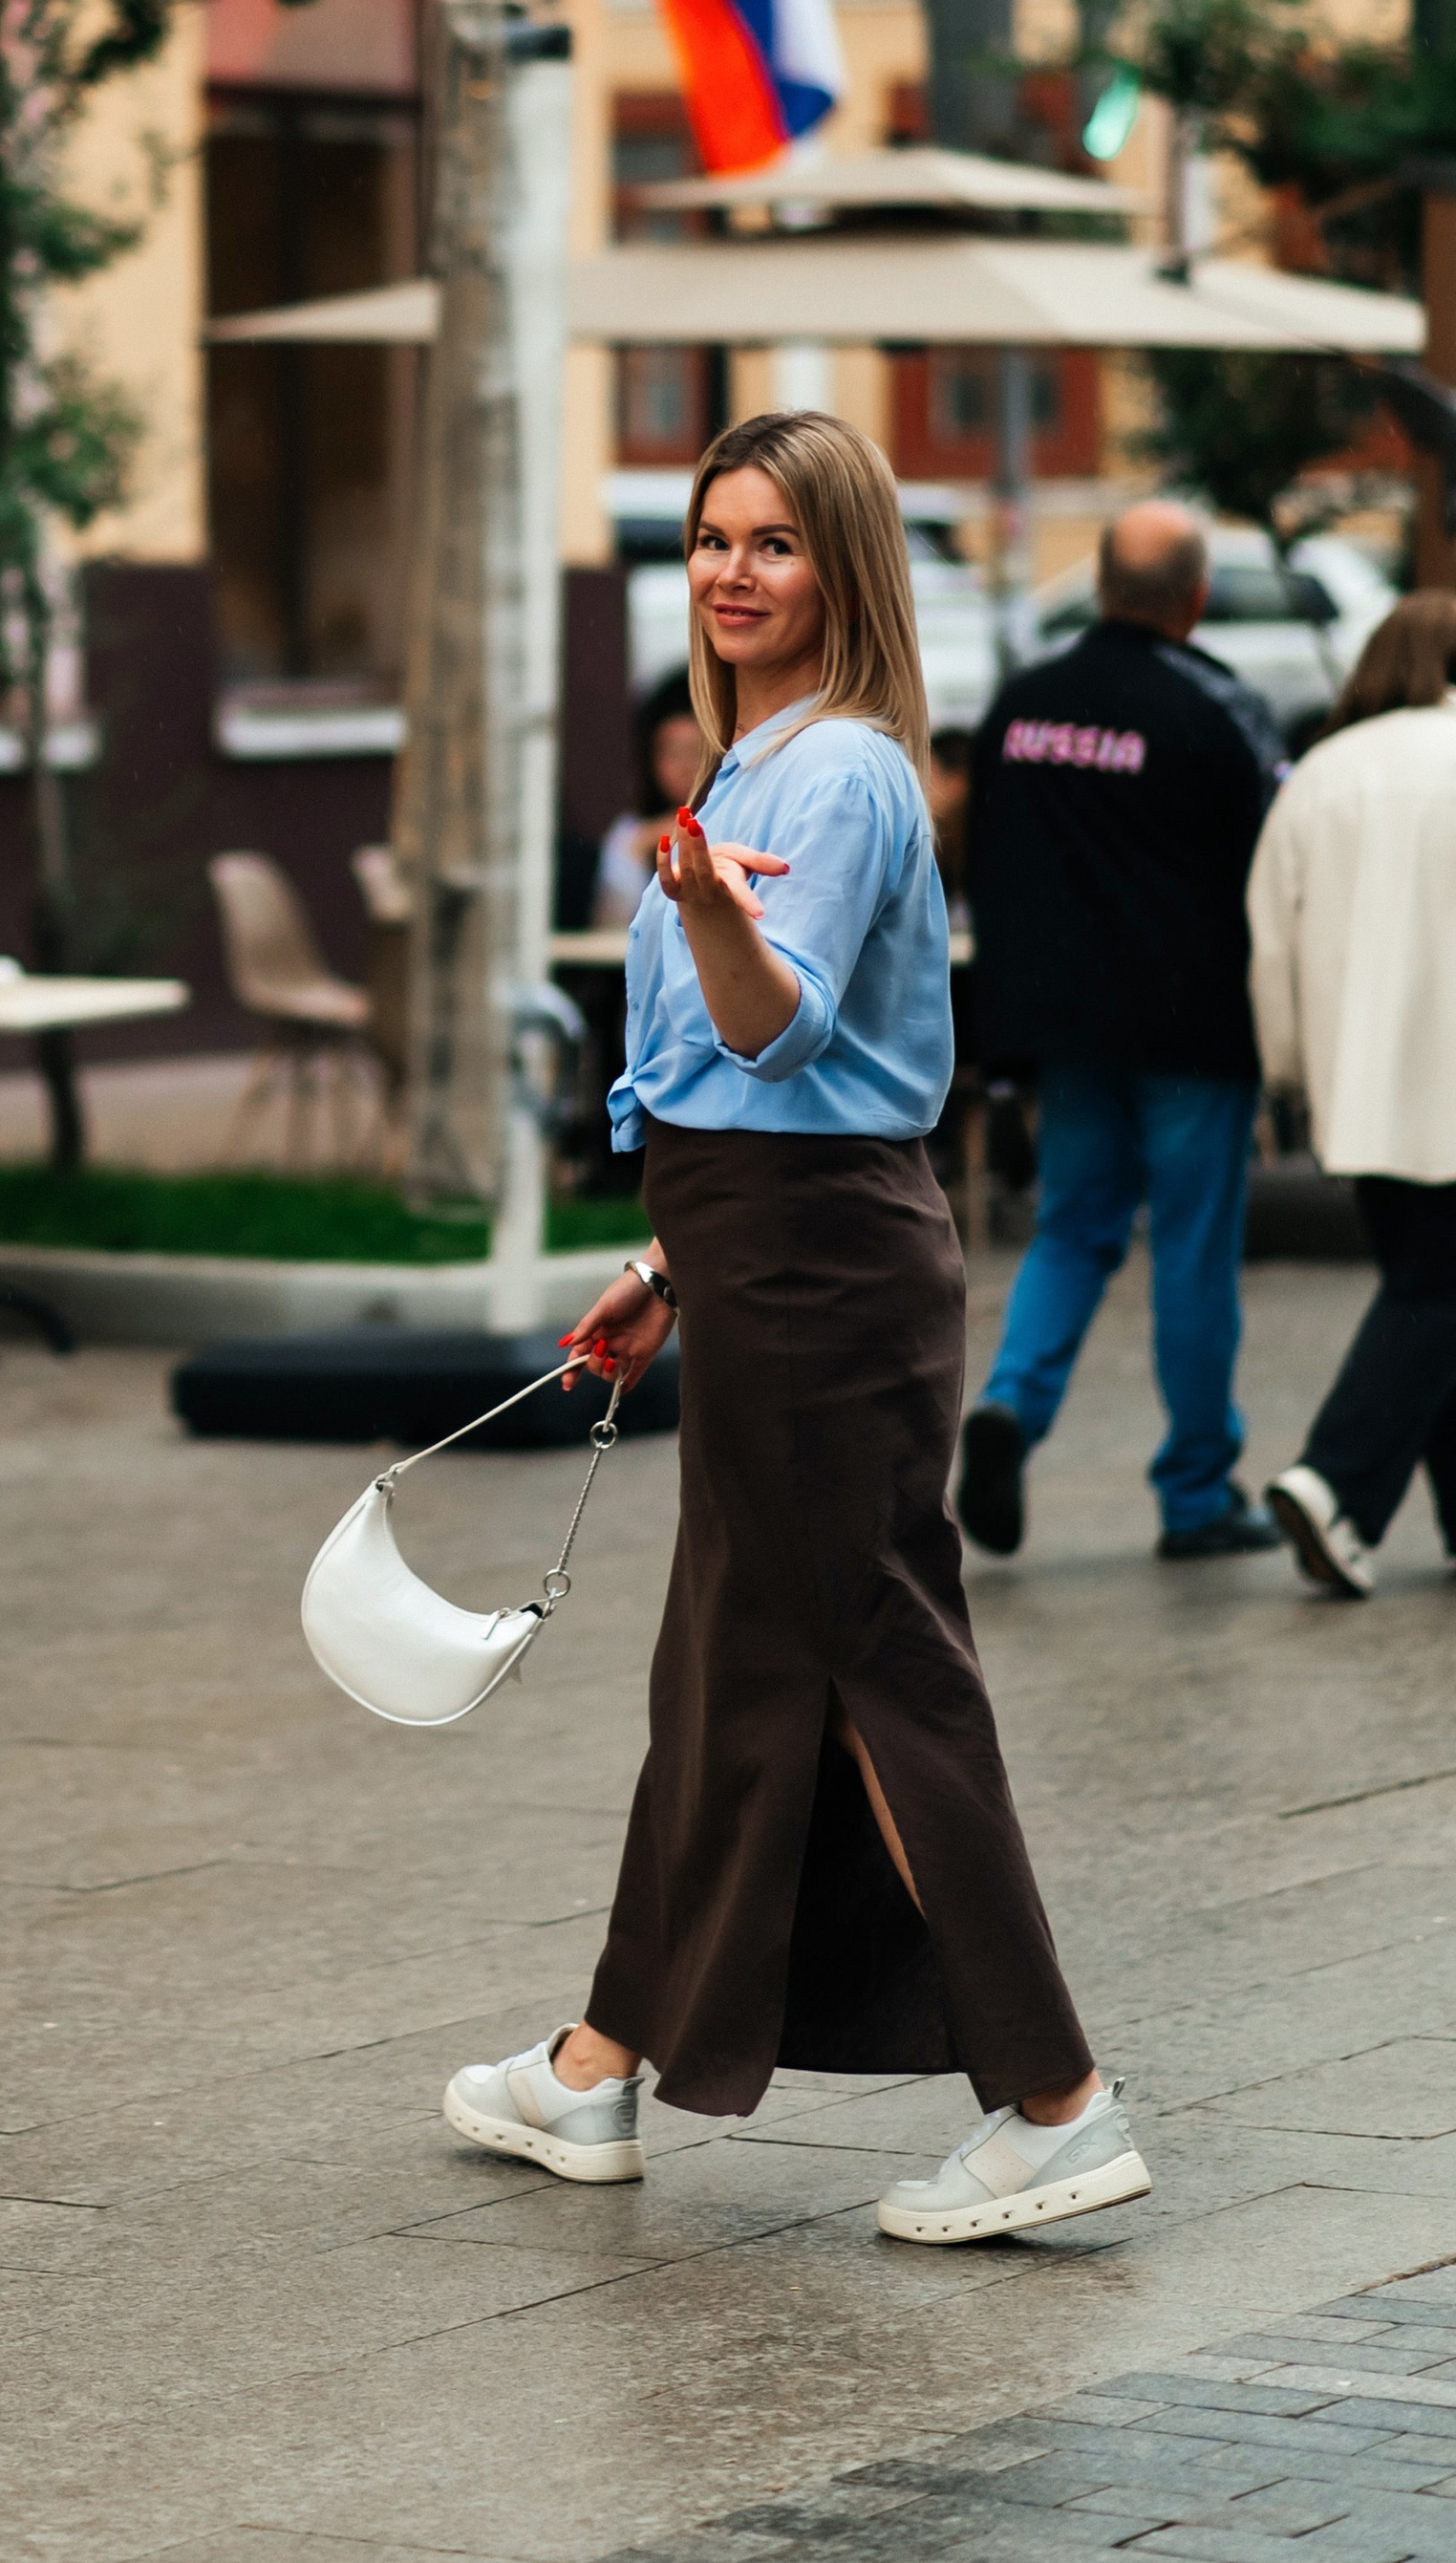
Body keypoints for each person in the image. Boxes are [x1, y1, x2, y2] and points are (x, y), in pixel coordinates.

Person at [441, 409, 1146, 2248]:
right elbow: (761, 1093)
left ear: (843, 564)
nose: (734, 569)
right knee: (733, 1672)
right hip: (766, 1253)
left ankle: (1055, 2096)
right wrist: (674, 1267)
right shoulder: (754, 763)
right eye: (709, 536)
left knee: (881, 1665)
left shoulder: (830, 777)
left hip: (819, 1271)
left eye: (774, 538)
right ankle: (600, 2063)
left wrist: (699, 912)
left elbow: (774, 1031)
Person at [954, 503, 1286, 1563]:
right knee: (1191, 1251)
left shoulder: (1021, 704)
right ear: (1193, 598)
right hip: (1193, 1023)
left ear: (1099, 586)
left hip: (1061, 1024)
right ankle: (1194, 1494)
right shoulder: (1218, 703)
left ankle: (1009, 1404)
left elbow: (982, 851)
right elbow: (1280, 858)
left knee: (1072, 1226)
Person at [1253, 592, 1456, 1595]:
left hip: (1359, 1093)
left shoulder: (1320, 776)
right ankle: (1334, 1479)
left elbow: (1270, 945)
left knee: (1431, 1284)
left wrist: (1288, 1072)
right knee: (1434, 1291)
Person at [592, 670, 708, 927]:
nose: (684, 766)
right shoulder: (631, 832)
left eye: (695, 751)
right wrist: (639, 846)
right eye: (672, 752)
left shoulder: (737, 816)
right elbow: (610, 929)